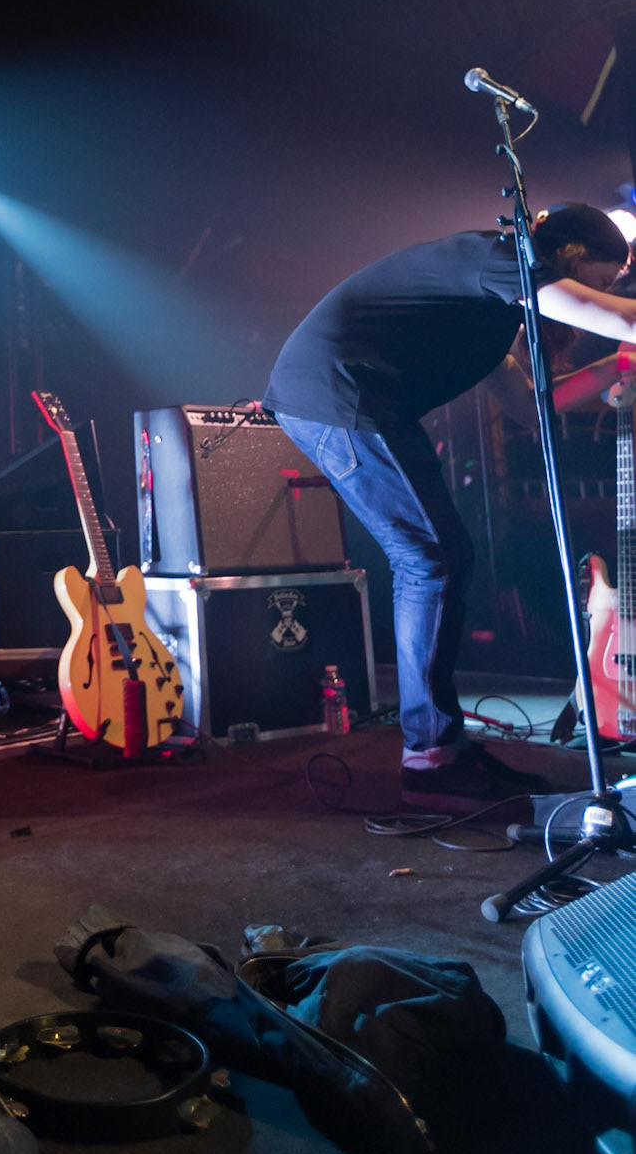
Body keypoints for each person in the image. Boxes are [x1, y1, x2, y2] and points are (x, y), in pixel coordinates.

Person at [263, 205, 636, 811]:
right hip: (338, 392)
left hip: (346, 398)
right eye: (599, 276)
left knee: (439, 557)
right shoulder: (495, 256)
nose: (599, 291)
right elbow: (612, 315)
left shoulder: (489, 311)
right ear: (568, 257)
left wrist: (615, 367)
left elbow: (534, 403)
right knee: (430, 559)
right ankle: (431, 758)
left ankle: (442, 750)